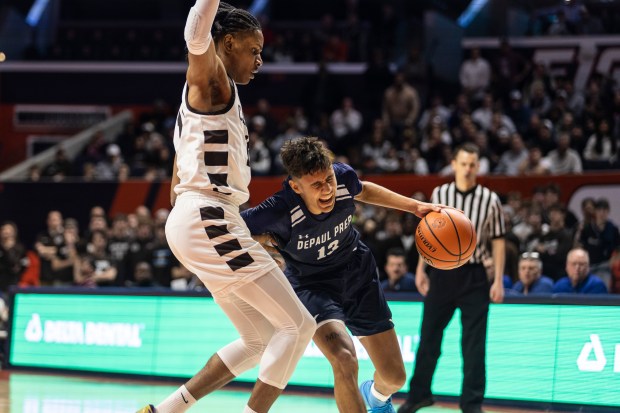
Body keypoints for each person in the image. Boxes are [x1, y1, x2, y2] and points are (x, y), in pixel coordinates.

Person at [137, 2, 316, 412]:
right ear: (228, 43)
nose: (260, 60)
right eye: (253, 50)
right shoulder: (212, 80)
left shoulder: (209, 102)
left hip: (201, 218)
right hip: (207, 217)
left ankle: (163, 411)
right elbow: (196, 35)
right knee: (299, 325)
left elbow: (176, 183)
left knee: (261, 338)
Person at [241, 137, 443, 413]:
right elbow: (232, 230)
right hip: (314, 288)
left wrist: (414, 207)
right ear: (295, 186)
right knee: (345, 359)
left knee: (395, 377)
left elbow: (364, 190)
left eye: (329, 181)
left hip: (358, 274)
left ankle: (376, 397)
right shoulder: (277, 210)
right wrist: (266, 250)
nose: (327, 191)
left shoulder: (344, 177)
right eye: (316, 185)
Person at [399, 143, 506, 413]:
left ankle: (471, 404)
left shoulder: (490, 200)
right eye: (464, 163)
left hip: (475, 276)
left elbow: (499, 241)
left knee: (473, 345)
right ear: (454, 164)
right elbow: (430, 236)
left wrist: (499, 280)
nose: (468, 169)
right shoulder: (440, 193)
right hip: (442, 274)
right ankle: (418, 395)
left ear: (478, 166)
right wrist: (422, 270)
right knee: (429, 337)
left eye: (473, 164)